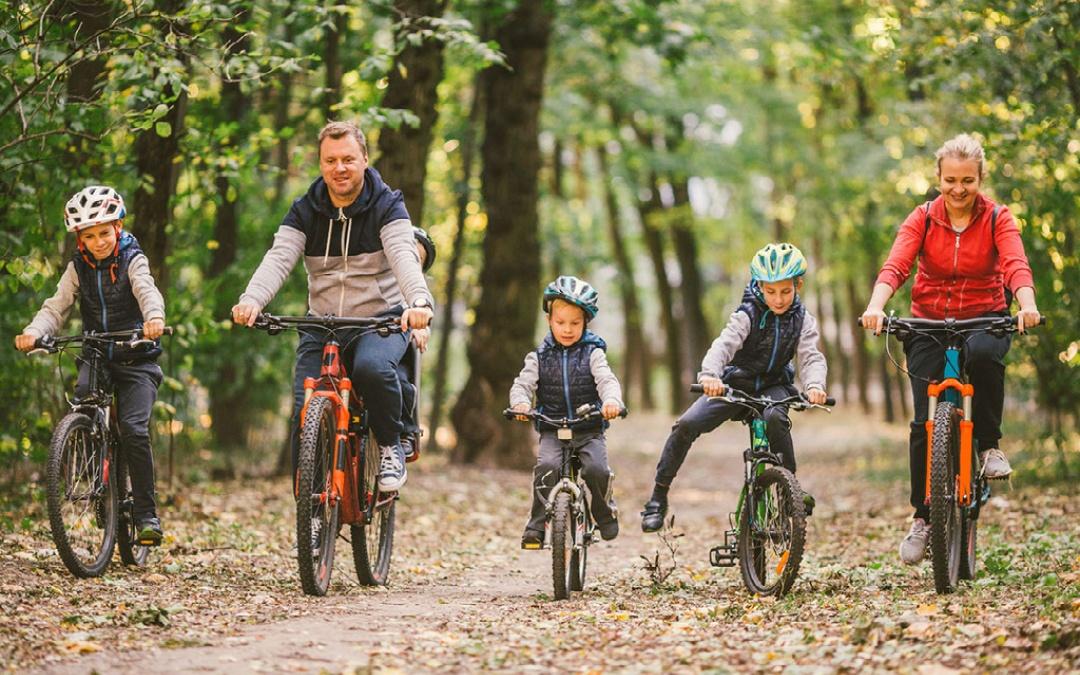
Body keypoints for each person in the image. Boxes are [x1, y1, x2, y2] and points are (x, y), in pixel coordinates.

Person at [860, 133, 1039, 565]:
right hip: (927, 322)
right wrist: (876, 306)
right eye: (951, 180)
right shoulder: (922, 218)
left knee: (982, 356)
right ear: (938, 178)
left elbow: (1015, 264)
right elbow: (897, 264)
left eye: (968, 180)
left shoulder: (997, 217)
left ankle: (988, 445)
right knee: (925, 422)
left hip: (984, 316)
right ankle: (923, 517)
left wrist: (1026, 303)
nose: (959, 189)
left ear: (980, 179)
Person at [231, 121, 434, 492]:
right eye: (330, 160)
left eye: (348, 159)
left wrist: (419, 302)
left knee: (372, 368)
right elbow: (279, 258)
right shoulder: (306, 209)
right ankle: (308, 505)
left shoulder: (388, 206)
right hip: (322, 324)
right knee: (303, 409)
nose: (339, 168)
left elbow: (405, 257)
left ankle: (390, 446)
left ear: (365, 160)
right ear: (321, 163)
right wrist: (252, 299)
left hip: (380, 320)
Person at [15, 186, 168, 544]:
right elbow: (57, 306)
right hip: (98, 351)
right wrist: (35, 331)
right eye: (89, 235)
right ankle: (94, 452)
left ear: (118, 227)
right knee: (84, 396)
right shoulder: (77, 268)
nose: (98, 241)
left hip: (136, 353)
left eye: (104, 232)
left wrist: (155, 318)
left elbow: (146, 289)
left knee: (134, 429)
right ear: (79, 239)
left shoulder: (133, 258)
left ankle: (147, 514)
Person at [641, 243, 828, 533]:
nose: (778, 299)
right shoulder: (747, 315)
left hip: (774, 387)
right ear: (759, 286)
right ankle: (658, 496)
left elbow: (811, 356)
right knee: (686, 424)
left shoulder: (803, 320)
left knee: (776, 419)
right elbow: (723, 346)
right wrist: (710, 376)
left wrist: (815, 384)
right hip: (735, 385)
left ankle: (789, 489)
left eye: (785, 291)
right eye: (771, 291)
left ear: (798, 285)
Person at [509, 276, 624, 547]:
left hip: (588, 428)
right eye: (561, 322)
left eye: (575, 323)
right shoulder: (538, 357)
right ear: (549, 320)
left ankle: (603, 512)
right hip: (552, 428)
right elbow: (522, 385)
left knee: (596, 469)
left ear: (585, 323)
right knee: (546, 467)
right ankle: (536, 526)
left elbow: (607, 380)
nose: (568, 329)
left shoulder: (593, 354)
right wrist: (521, 403)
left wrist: (611, 401)